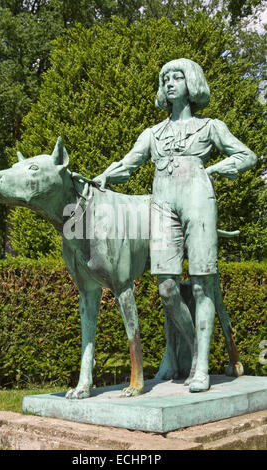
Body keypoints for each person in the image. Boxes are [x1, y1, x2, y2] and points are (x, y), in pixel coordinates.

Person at [93, 58, 257, 392]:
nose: (170, 83)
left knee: (201, 284)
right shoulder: (152, 134)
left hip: (198, 198)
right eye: (165, 78)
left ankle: (201, 368)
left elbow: (247, 156)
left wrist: (212, 171)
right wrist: (105, 176)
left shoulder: (211, 126)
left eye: (177, 76)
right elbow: (127, 164)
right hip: (162, 203)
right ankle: (197, 352)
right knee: (167, 288)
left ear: (191, 82)